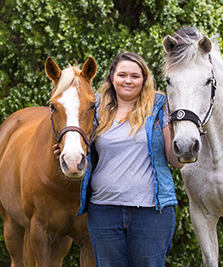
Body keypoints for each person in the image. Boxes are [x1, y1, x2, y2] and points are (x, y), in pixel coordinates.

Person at [56, 52, 183, 266]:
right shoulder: (95, 111)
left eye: (135, 76)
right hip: (104, 211)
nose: (128, 80)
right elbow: (78, 141)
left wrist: (183, 142)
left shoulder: (159, 107)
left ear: (144, 80)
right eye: (122, 74)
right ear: (112, 78)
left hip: (151, 213)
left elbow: (176, 161)